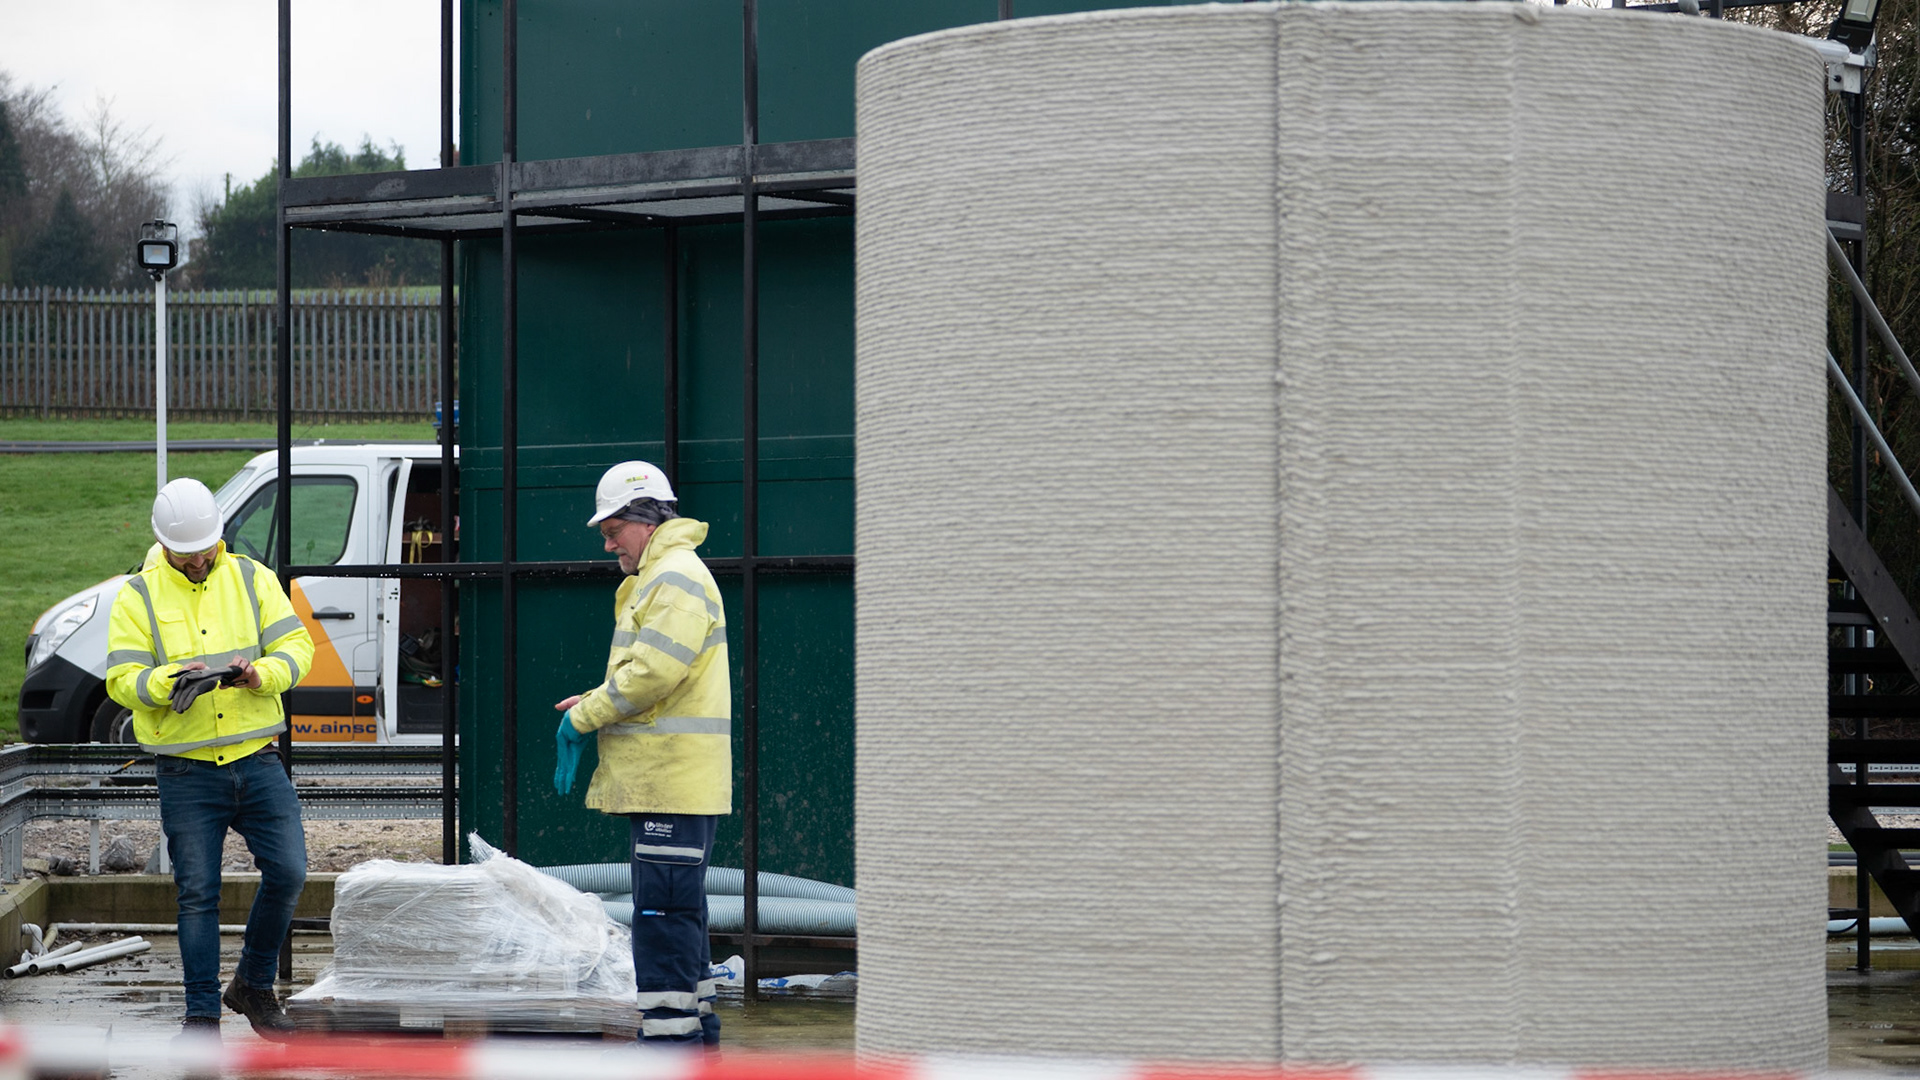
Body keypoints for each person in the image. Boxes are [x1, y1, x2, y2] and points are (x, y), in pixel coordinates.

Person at [104, 477, 314, 1042]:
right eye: (186, 551)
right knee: (198, 894)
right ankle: (201, 1017)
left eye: (205, 548)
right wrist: (163, 681)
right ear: (164, 544)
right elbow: (121, 679)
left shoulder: (251, 577)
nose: (198, 560)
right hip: (186, 769)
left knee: (290, 871)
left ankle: (252, 984)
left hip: (256, 757)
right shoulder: (138, 595)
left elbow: (299, 649)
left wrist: (258, 674)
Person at [553, 460, 732, 1049]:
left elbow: (653, 673)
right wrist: (601, 698)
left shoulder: (673, 577)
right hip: (672, 781)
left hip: (670, 782)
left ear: (647, 520)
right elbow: (653, 675)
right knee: (679, 913)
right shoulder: (667, 574)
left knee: (661, 920)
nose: (608, 544)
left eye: (613, 530)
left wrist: (587, 714)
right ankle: (696, 1036)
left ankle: (669, 1045)